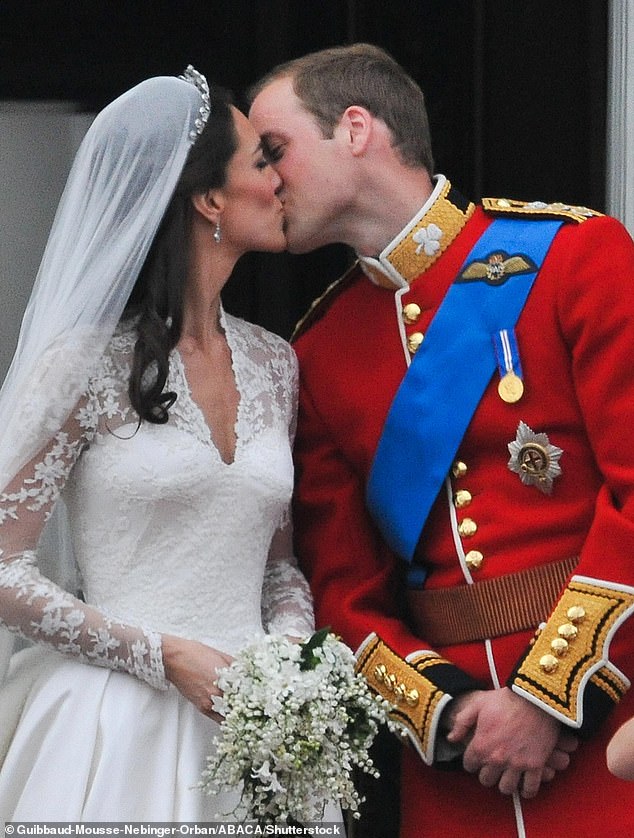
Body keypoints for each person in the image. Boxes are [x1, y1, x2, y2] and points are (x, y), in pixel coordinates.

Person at [248, 43, 634, 837]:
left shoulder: (572, 257)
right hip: (462, 770)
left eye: (274, 149)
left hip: (609, 722)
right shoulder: (318, 347)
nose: (262, 178)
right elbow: (343, 590)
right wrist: (455, 715)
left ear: (355, 129)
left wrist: (548, 698)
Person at [0, 67, 321, 821]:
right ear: (210, 199)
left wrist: (290, 658)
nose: (281, 180)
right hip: (115, 725)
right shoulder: (82, 364)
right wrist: (162, 654)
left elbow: (279, 567)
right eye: (261, 161)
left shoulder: (276, 363)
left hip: (255, 730)